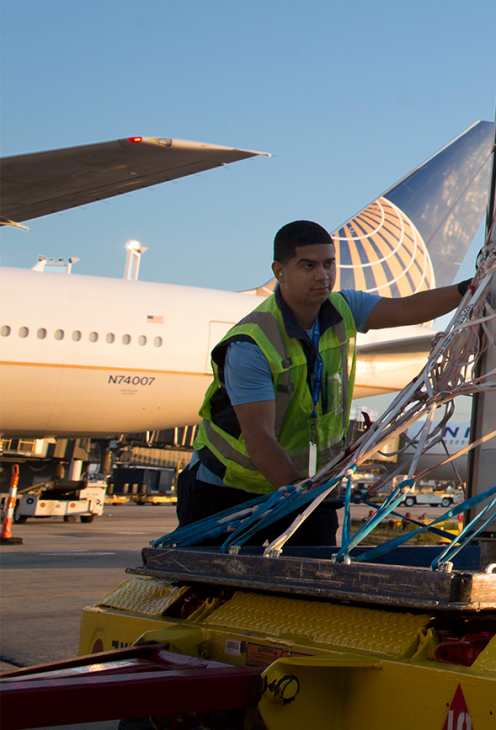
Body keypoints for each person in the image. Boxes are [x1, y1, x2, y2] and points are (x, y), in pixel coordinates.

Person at [175, 220, 471, 546]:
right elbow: (259, 438)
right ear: (280, 271)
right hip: (228, 491)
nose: (322, 275)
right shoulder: (252, 345)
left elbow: (405, 307)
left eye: (329, 264)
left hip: (299, 487)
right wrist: (304, 495)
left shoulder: (342, 309)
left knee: (313, 579)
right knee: (211, 592)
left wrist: (468, 288)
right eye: (308, 266)